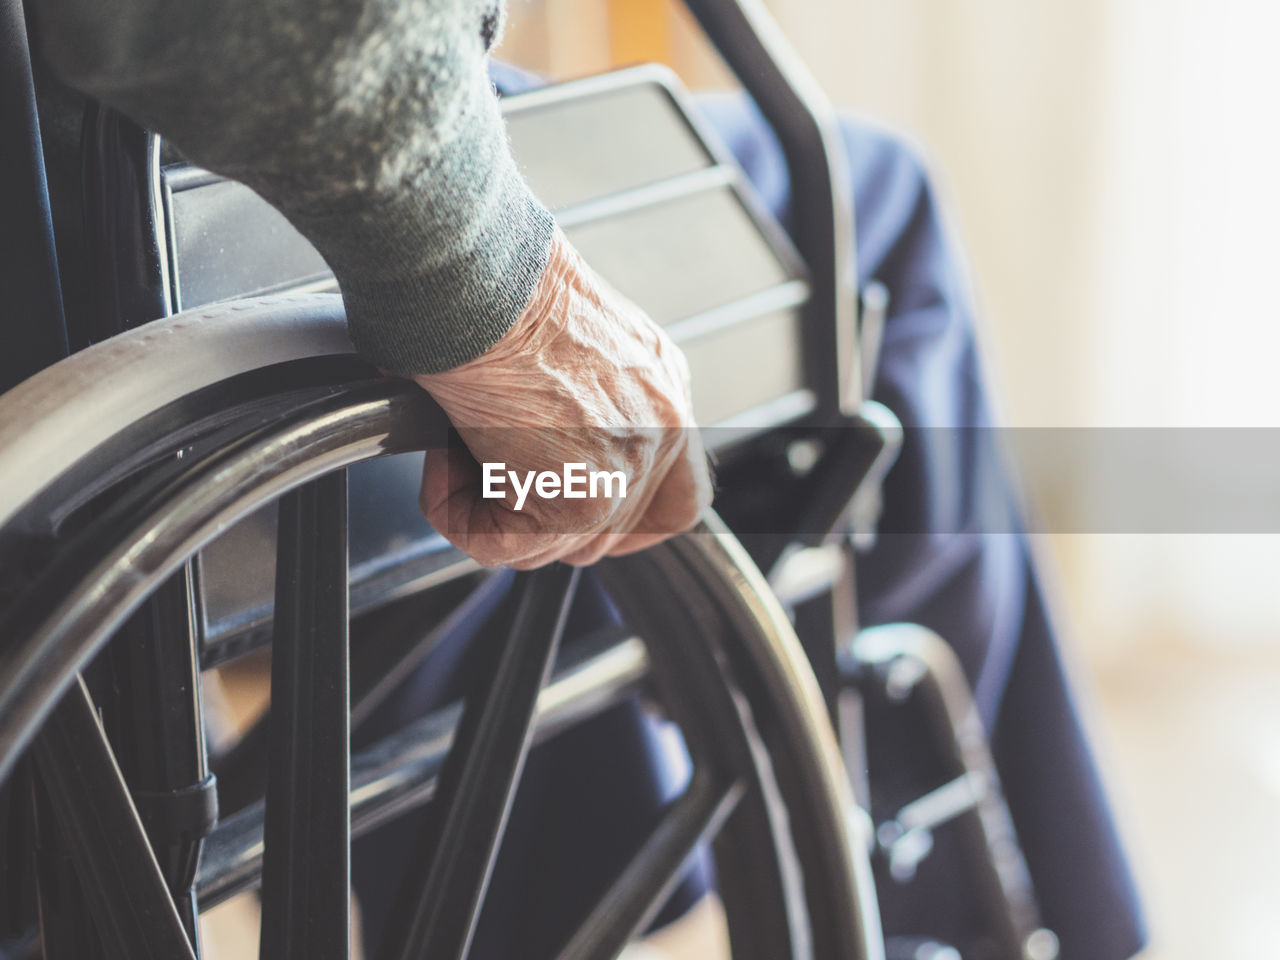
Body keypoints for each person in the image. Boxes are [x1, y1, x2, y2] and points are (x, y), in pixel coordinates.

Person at [25, 1, 1148, 958]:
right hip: (164, 198)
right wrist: (485, 277)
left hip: (68, 253)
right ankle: (963, 908)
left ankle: (568, 818)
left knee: (522, 481)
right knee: (878, 209)